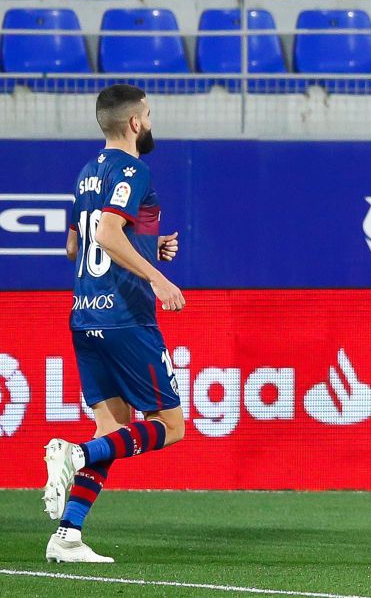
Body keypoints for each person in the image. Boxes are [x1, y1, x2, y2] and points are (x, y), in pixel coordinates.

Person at [42, 84, 186, 563]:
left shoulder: (87, 174)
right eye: (149, 114)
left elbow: (74, 246)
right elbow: (106, 233)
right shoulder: (134, 170)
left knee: (113, 427)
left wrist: (147, 245)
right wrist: (158, 277)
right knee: (171, 426)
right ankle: (75, 454)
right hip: (125, 318)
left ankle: (67, 535)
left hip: (84, 316)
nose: (150, 121)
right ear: (135, 122)